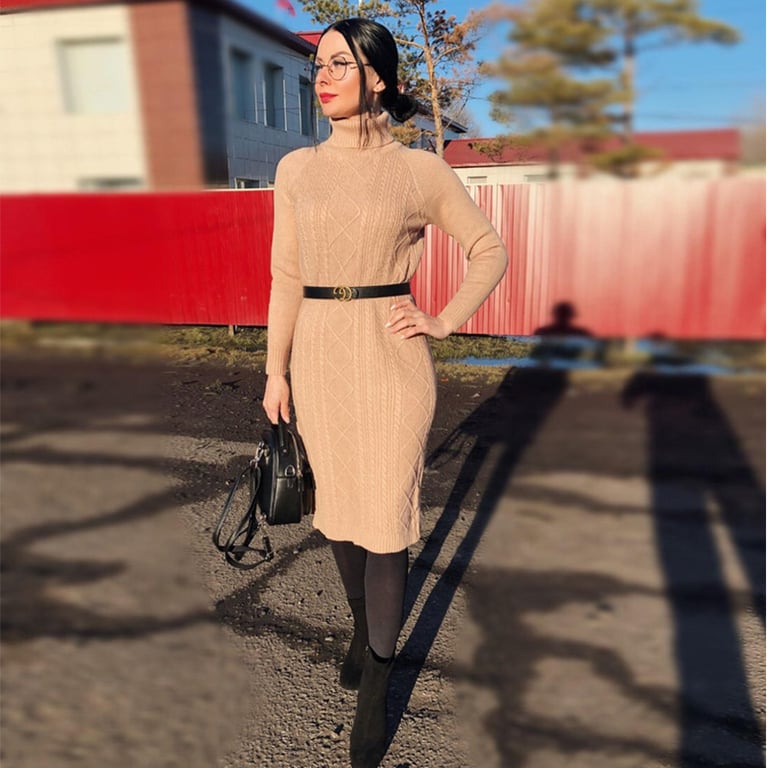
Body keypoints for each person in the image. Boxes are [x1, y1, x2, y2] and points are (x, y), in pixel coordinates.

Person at [262, 18, 507, 768]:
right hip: (319, 360)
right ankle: (359, 630)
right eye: (319, 64)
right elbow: (285, 277)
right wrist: (275, 371)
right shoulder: (296, 169)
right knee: (338, 514)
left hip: (392, 361)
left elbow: (488, 249)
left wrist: (442, 320)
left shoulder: (419, 170)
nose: (322, 76)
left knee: (385, 520)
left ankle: (378, 678)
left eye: (340, 64)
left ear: (379, 79)